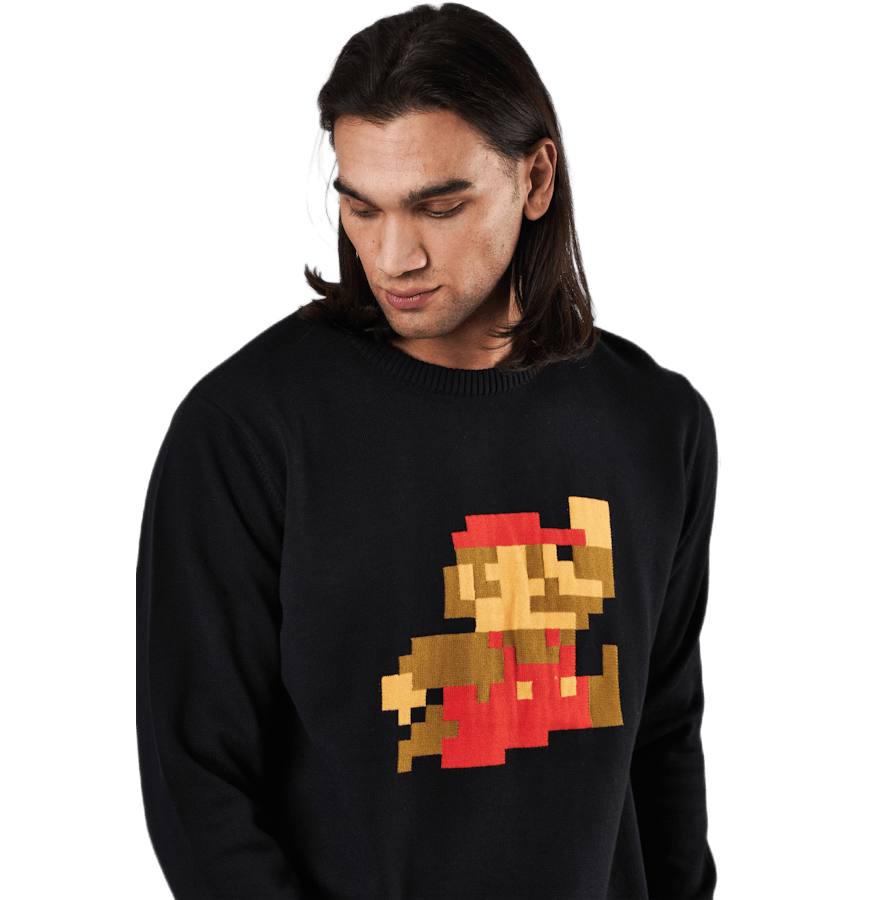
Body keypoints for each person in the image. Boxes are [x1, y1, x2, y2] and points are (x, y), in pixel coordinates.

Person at [135, 3, 720, 898]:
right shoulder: (246, 429)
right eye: (360, 207)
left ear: (536, 179)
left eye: (439, 207)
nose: (392, 256)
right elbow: (198, 783)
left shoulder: (656, 422)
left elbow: (663, 735)